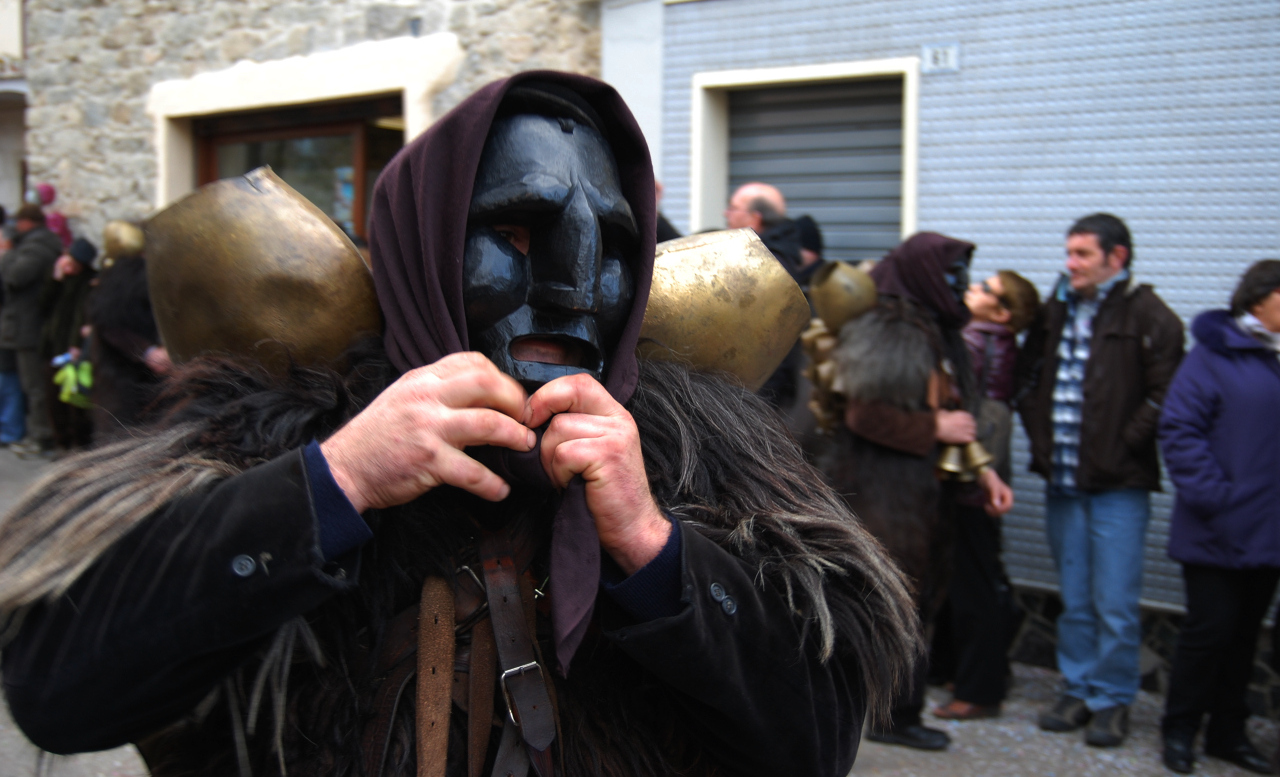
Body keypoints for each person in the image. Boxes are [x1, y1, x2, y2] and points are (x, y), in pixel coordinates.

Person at [0, 72, 918, 777]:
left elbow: (816, 741)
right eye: (517, 236)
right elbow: (58, 693)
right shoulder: (267, 432)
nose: (570, 287)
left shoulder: (700, 458)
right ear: (424, 249)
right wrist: (334, 480)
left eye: (611, 248)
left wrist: (654, 546)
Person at [813, 232, 1014, 751]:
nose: (962, 286)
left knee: (911, 604)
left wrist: (984, 472)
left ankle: (894, 711)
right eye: (952, 275)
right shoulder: (895, 328)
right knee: (888, 607)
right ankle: (890, 716)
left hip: (919, 498)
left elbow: (955, 419)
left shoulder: (931, 329)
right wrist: (933, 429)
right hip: (885, 496)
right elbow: (866, 414)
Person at [1016, 213, 1184, 747]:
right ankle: (1078, 685)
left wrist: (1124, 444)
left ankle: (1112, 698)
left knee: (1114, 599)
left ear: (1118, 258)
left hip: (1119, 485)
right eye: (1069, 253)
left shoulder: (1151, 316)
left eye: (1083, 254)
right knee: (1076, 596)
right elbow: (1026, 377)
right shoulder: (1056, 309)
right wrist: (1039, 435)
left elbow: (1167, 393)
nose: (1071, 264)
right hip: (1064, 479)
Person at [1156, 260, 1280, 775]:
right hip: (1216, 528)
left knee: (1246, 636)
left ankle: (1228, 734)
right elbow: (1180, 429)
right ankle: (1179, 729)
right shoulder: (1213, 356)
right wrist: (1218, 499)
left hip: (1271, 531)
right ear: (1258, 301)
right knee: (1208, 632)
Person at [932, 270, 1039, 720]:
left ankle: (979, 688)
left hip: (971, 474)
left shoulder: (976, 341)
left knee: (972, 582)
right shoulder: (1000, 343)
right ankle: (965, 673)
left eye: (985, 289)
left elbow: (950, 396)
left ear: (1002, 312)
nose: (972, 290)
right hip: (985, 471)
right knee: (975, 575)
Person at [87, 221, 170, 440]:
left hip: (147, 378)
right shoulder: (126, 275)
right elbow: (109, 322)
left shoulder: (142, 272)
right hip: (123, 377)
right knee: (120, 435)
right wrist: (147, 352)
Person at [0, 203, 63, 458]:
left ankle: (43, 437)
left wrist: (7, 253)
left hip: (27, 326)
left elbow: (14, 276)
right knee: (23, 383)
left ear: (27, 222)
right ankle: (27, 432)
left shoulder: (36, 248)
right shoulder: (38, 244)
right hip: (21, 325)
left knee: (34, 386)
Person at [38, 237, 98, 453]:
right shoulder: (59, 279)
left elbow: (79, 316)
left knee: (74, 400)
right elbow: (43, 306)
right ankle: (60, 442)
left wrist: (75, 345)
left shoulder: (89, 282)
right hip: (53, 347)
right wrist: (55, 280)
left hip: (73, 349)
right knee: (53, 398)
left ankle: (78, 444)